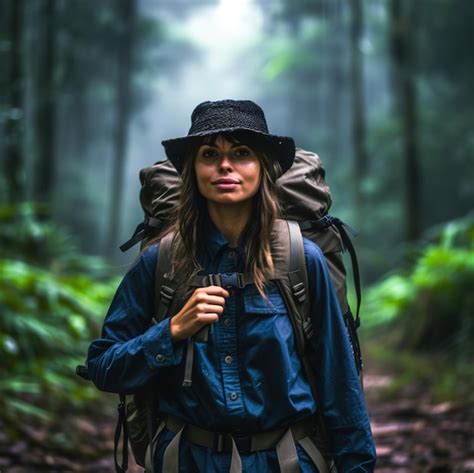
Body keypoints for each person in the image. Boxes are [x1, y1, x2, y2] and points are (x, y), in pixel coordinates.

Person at [86, 100, 377, 472]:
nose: (225, 165)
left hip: (286, 462)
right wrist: (172, 331)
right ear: (193, 170)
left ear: (263, 168)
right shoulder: (161, 262)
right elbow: (103, 366)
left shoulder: (302, 261)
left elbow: (341, 384)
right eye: (210, 154)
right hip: (186, 461)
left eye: (241, 153)